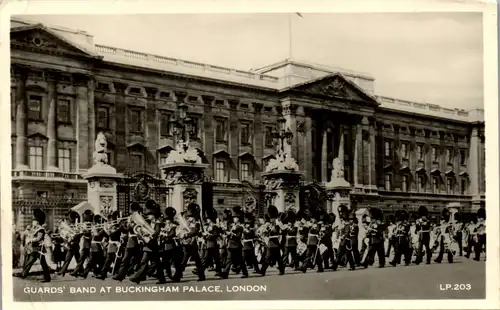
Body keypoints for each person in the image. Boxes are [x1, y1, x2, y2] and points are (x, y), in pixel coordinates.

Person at [130, 200, 167, 284]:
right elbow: (141, 230)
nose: (148, 216)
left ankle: (138, 277)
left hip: (152, 244)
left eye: (149, 215)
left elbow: (156, 233)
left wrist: (150, 236)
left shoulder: (157, 223)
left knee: (144, 261)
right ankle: (161, 278)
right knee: (156, 262)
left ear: (154, 215)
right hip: (149, 244)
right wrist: (141, 233)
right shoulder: (149, 223)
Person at [15, 209, 51, 282]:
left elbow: (38, 239)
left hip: (39, 249)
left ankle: (47, 278)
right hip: (35, 249)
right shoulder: (35, 229)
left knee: (42, 264)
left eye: (33, 221)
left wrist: (31, 239)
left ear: (37, 222)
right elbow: (31, 235)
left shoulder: (41, 229)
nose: (32, 222)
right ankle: (24, 274)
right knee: (30, 261)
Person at [113, 202, 142, 282]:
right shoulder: (134, 217)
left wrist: (123, 225)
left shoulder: (136, 217)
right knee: (135, 259)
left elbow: (129, 229)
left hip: (134, 241)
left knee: (127, 259)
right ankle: (122, 275)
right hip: (133, 241)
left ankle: (122, 275)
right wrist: (122, 226)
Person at [179, 203, 206, 281]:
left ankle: (178, 275)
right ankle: (202, 276)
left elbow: (194, 232)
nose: (189, 218)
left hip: (192, 244)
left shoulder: (196, 224)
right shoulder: (189, 223)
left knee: (184, 261)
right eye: (189, 216)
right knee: (197, 261)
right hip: (188, 244)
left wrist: (186, 234)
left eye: (191, 217)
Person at [220, 207, 247, 279]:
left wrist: (230, 234)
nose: (234, 219)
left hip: (236, 245)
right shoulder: (232, 226)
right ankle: (225, 273)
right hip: (231, 245)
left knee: (240, 260)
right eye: (234, 217)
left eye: (235, 217)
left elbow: (238, 236)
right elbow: (228, 233)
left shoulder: (240, 227)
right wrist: (226, 232)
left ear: (238, 218)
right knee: (229, 259)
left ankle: (245, 272)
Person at [97, 211, 123, 280]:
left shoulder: (118, 226)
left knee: (116, 260)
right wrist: (105, 229)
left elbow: (112, 234)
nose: (111, 220)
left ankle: (118, 273)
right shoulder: (113, 226)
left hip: (116, 244)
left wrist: (107, 229)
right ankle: (103, 274)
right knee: (109, 260)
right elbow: (108, 235)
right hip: (112, 245)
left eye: (112, 219)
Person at [261, 205, 285, 276]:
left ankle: (281, 270)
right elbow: (263, 232)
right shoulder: (267, 224)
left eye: (273, 218)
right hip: (270, 243)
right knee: (267, 257)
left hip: (276, 243)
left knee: (279, 258)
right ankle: (263, 271)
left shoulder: (278, 224)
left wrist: (279, 227)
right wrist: (267, 229)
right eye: (271, 218)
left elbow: (282, 231)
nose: (272, 219)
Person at [71, 210, 93, 277]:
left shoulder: (91, 226)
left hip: (90, 246)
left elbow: (90, 235)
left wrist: (84, 231)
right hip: (84, 245)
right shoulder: (84, 225)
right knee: (81, 260)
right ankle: (76, 272)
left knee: (91, 261)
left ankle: (95, 272)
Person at [201, 207, 222, 275]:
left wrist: (208, 235)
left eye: (208, 219)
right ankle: (219, 271)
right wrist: (204, 235)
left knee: (206, 258)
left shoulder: (214, 226)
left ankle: (200, 270)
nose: (207, 220)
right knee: (215, 258)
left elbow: (216, 234)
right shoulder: (208, 226)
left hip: (213, 243)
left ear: (210, 219)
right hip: (209, 244)